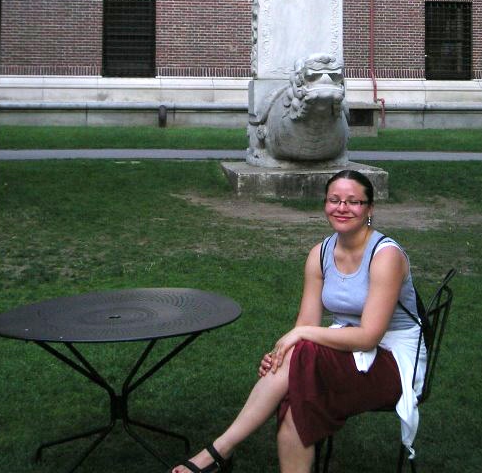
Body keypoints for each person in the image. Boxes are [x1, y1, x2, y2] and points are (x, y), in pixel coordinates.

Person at [169, 169, 426, 473]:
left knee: (302, 357)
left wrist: (297, 339)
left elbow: (369, 336)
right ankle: (221, 451)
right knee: (296, 385)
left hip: (393, 361)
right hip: (345, 349)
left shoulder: (385, 256)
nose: (342, 208)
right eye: (334, 200)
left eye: (353, 201)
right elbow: (306, 322)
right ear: (325, 205)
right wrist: (280, 357)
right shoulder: (320, 253)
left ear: (370, 209)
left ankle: (219, 450)